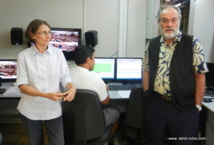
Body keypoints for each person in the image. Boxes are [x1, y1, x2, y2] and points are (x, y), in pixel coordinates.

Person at [142, 5, 208, 145]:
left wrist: (197, 106)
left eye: (173, 20)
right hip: (156, 105)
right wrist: (147, 95)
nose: (169, 24)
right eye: (164, 20)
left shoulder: (192, 43)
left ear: (180, 20)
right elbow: (146, 70)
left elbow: (200, 76)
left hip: (184, 108)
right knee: (157, 141)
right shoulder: (152, 44)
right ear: (159, 23)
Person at [16, 19, 76, 145]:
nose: (48, 36)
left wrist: (72, 88)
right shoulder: (23, 56)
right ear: (32, 35)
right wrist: (46, 95)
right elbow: (22, 86)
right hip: (30, 109)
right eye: (43, 33)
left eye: (49, 32)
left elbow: (65, 77)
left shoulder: (58, 53)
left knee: (58, 142)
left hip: (53, 108)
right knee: (35, 142)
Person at [70, 45, 120, 139]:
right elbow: (106, 101)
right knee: (116, 113)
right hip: (91, 120)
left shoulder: (66, 74)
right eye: (94, 58)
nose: (94, 61)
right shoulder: (96, 79)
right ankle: (105, 140)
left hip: (71, 120)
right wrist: (105, 89)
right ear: (88, 60)